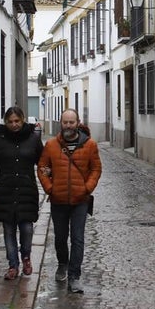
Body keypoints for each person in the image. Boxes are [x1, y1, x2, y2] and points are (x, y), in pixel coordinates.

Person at [37, 109, 102, 294]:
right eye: (65, 122)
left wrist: (87, 188)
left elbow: (96, 169)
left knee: (78, 238)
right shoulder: (51, 145)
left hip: (80, 201)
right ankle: (62, 263)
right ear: (61, 122)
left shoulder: (90, 145)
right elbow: (42, 168)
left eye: (71, 122)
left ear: (78, 123)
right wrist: (50, 188)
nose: (68, 125)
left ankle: (74, 277)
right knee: (60, 237)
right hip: (58, 200)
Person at [0, 106, 43, 280]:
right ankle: (13, 265)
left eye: (17, 121)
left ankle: (26, 256)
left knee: (27, 228)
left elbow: (43, 163)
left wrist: (50, 182)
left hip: (26, 191)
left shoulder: (33, 139)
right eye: (10, 121)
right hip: (4, 191)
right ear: (5, 122)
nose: (14, 124)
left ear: (23, 120)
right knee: (8, 230)